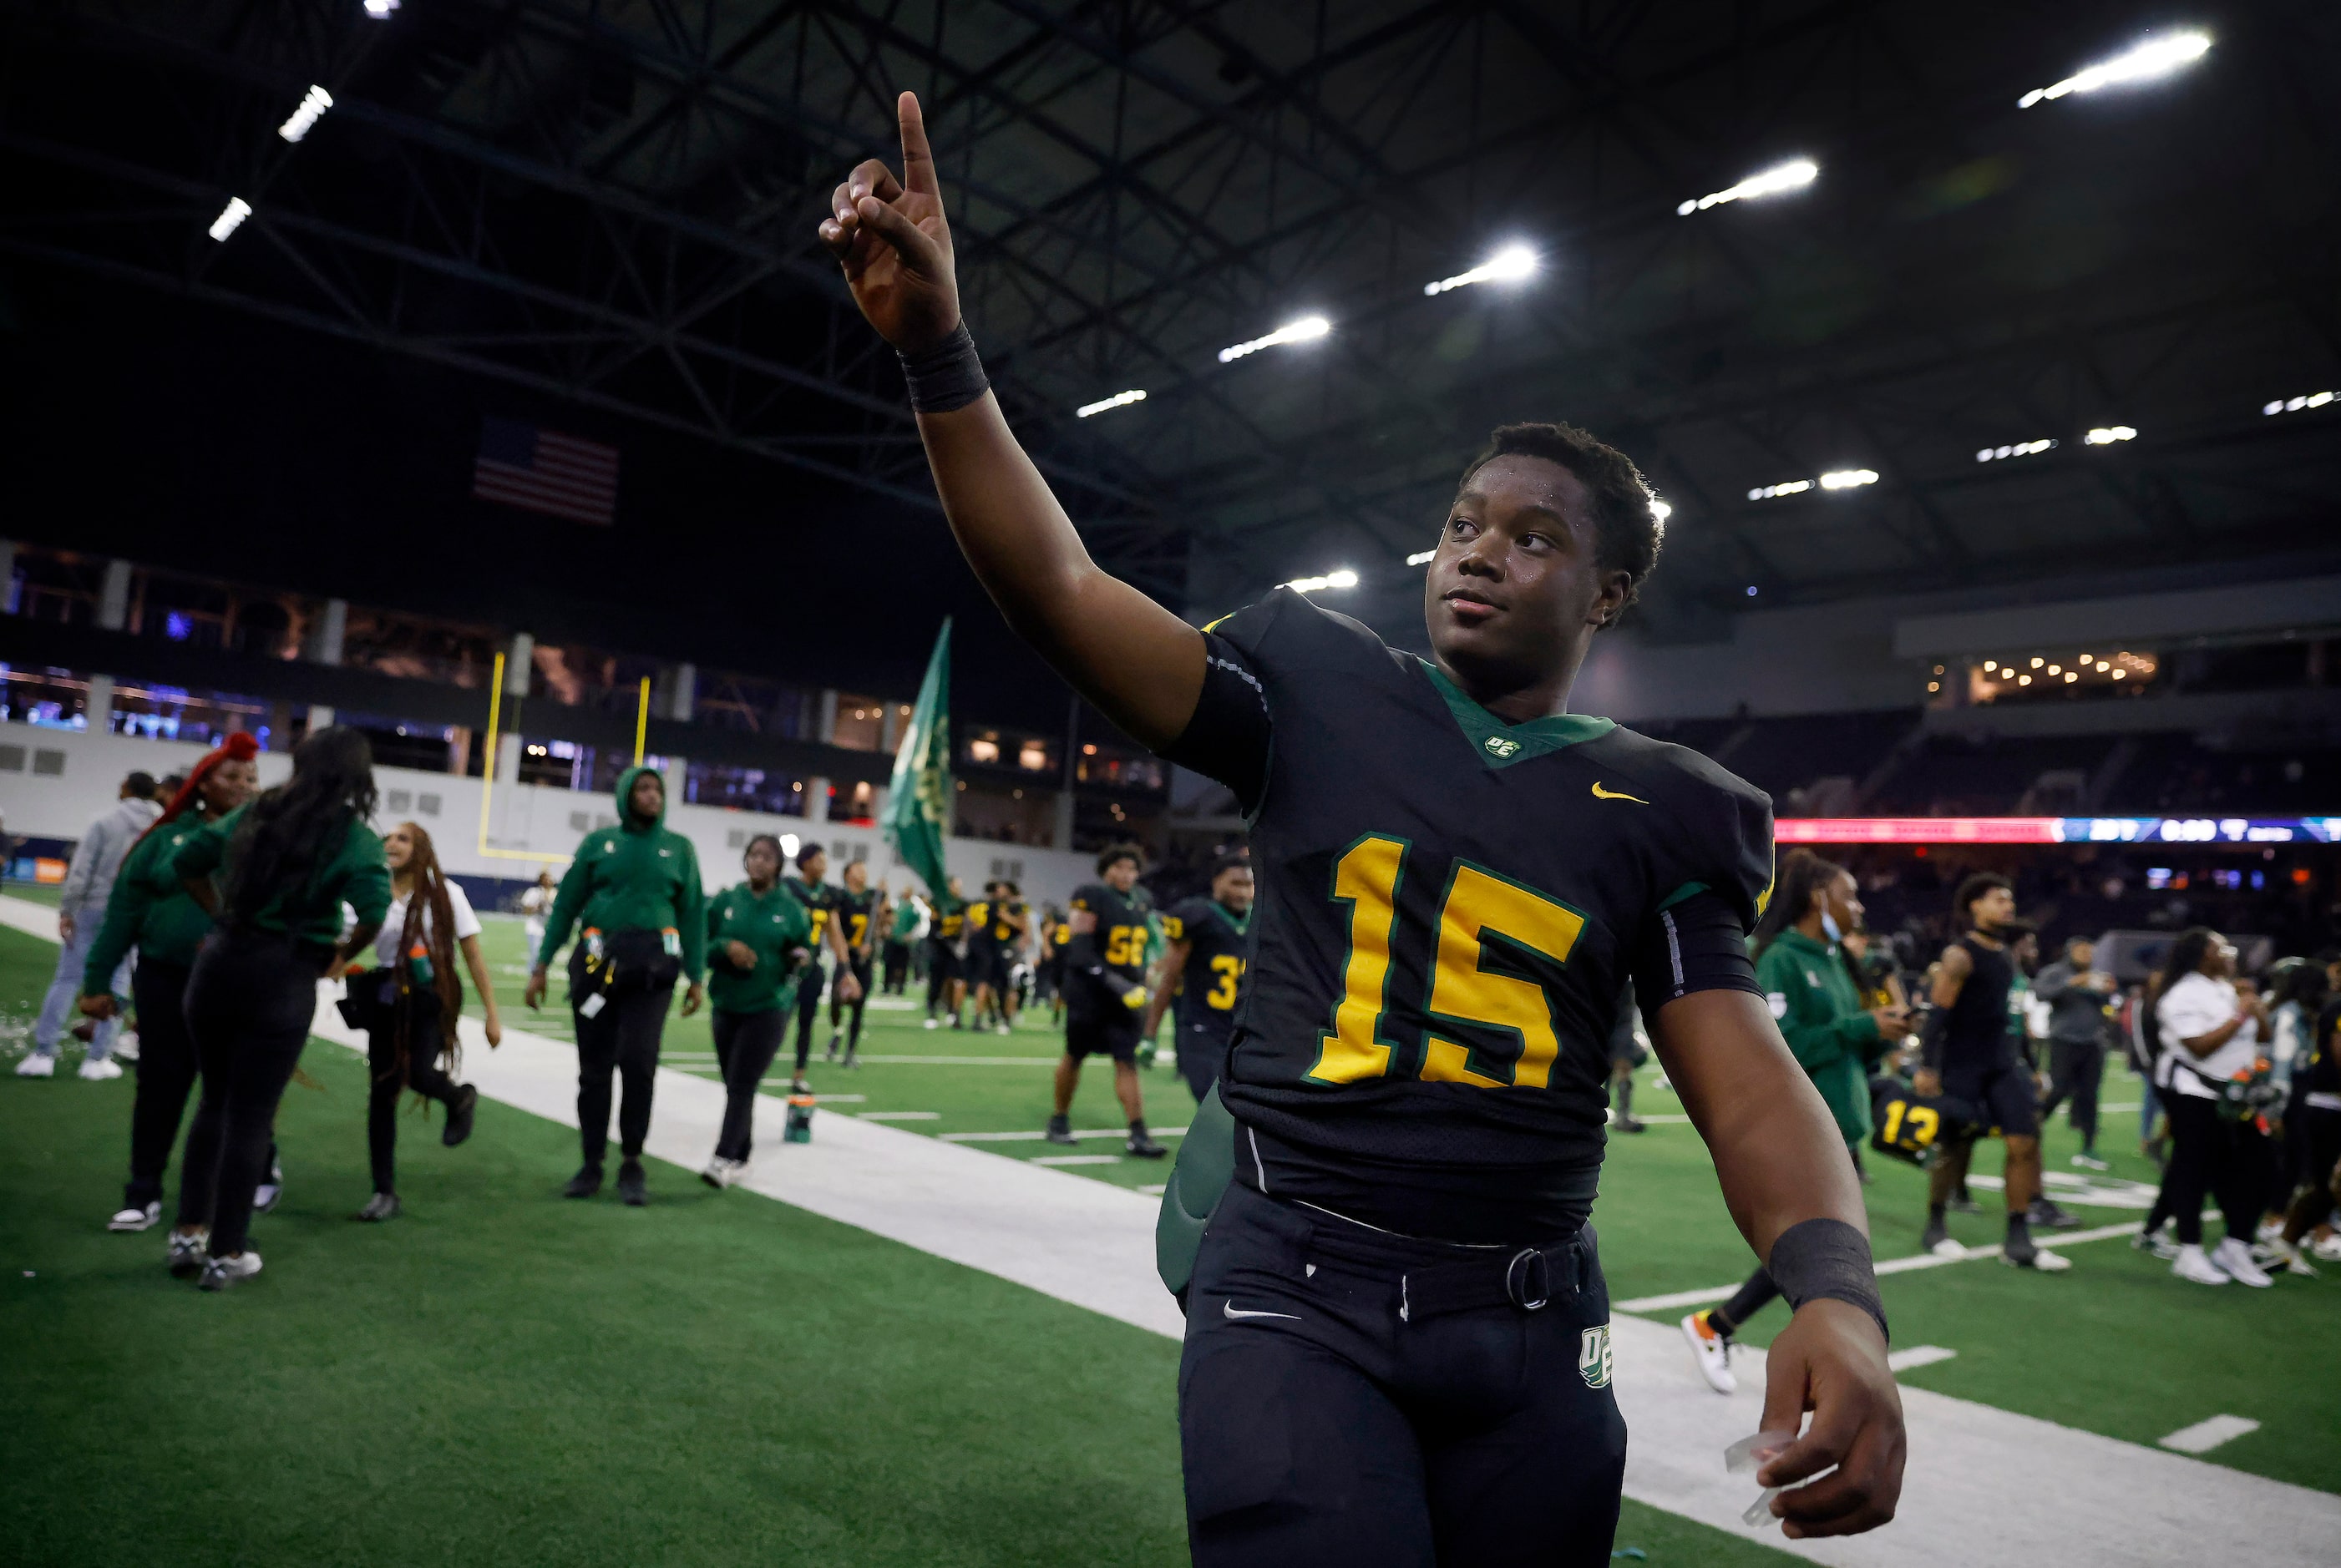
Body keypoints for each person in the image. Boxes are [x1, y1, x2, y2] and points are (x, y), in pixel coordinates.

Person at [818, 96, 1904, 1553]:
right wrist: (939, 353)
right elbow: (1063, 594)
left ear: (1606, 595)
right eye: (1464, 521)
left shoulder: (1662, 804)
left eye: (1533, 536)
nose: (1478, 551)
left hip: (1527, 1316)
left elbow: (1746, 1078)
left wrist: (1832, 1281)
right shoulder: (1315, 683)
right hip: (1290, 1274)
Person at [169, 726, 391, 1290]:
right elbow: (374, 910)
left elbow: (188, 860)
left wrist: (221, 912)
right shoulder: (353, 835)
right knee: (251, 1116)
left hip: (219, 963)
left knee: (213, 1102)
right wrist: (342, 954)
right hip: (284, 972)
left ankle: (188, 1233)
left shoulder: (254, 814)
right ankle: (227, 1253)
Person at [1683, 851, 1908, 1393]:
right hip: (1805, 1126)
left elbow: (1844, 1042)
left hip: (1839, 1125)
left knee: (1825, 1250)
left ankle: (1721, 1327)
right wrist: (1861, 1024)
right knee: (1823, 1250)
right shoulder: (1781, 958)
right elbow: (1778, 1048)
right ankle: (1741, 1336)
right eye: (1848, 895)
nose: (1857, 907)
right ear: (1817, 898)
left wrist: (1879, 1034)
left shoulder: (1833, 959)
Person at [79, 736, 261, 1231]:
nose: (243, 786)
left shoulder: (265, 840)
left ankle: (253, 1173)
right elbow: (123, 913)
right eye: (232, 777)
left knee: (241, 1084)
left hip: (238, 981)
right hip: (165, 978)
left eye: (251, 779)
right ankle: (143, 1192)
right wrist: (97, 980)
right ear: (203, 783)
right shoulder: (162, 840)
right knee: (161, 1083)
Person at [524, 765, 706, 1206]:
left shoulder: (679, 848)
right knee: (594, 1071)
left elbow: (694, 913)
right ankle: (591, 1162)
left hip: (653, 973)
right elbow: (566, 905)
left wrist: (697, 977)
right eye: (642, 788)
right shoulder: (597, 845)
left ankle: (632, 1160)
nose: (651, 795)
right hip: (596, 968)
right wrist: (541, 965)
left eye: (657, 789)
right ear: (625, 795)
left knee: (640, 1063)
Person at [338, 822, 504, 1222]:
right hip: (385, 997)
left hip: (432, 995)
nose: (391, 843)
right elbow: (340, 942)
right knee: (382, 1091)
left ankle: (458, 1097)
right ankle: (384, 1191)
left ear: (421, 848)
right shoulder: (368, 890)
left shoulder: (447, 895)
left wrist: (491, 1015)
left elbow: (472, 954)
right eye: (388, 838)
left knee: (416, 1072)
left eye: (403, 838)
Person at [1914, 875, 2070, 1270]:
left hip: (2002, 1064)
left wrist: (2030, 1065)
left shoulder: (2006, 953)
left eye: (2010, 899)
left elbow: (2010, 1015)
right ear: (1975, 907)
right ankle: (1935, 1225)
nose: (2008, 906)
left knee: (2024, 1142)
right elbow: (1938, 1017)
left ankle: (2018, 1240)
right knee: (1954, 1146)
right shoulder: (1959, 955)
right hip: (1963, 1064)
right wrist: (1927, 1067)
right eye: (1999, 899)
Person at [2147, 928, 2275, 1287]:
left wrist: (2256, 1009)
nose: (2231, 954)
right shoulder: (2183, 993)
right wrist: (2240, 1016)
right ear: (2205, 954)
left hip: (2237, 1094)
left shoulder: (2225, 988)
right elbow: (2200, 1047)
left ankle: (2236, 1245)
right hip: (2194, 1091)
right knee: (2194, 1170)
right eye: (2223, 948)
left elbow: (2263, 1036)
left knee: (2262, 1167)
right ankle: (2189, 1250)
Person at [20, 771, 160, 1080]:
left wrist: (68, 909)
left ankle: (43, 1054)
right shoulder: (161, 825)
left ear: (126, 788)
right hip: (134, 913)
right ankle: (97, 1060)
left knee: (68, 979)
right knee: (120, 981)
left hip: (94, 907)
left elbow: (81, 869)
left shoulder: (105, 822)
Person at [701, 834, 813, 1187]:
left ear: (779, 865)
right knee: (734, 1083)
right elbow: (701, 945)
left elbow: (805, 953)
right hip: (726, 1002)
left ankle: (722, 1158)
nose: (759, 862)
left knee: (742, 1081)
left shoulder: (791, 909)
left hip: (769, 1006)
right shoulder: (726, 900)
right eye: (753, 855)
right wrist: (726, 947)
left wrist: (802, 958)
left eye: (767, 857)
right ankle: (742, 1154)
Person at [1046, 844, 1166, 1156]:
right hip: (1090, 992)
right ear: (1106, 869)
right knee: (1075, 1054)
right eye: (1119, 867)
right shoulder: (1091, 895)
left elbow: (1148, 947)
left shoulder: (1143, 900)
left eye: (1131, 868)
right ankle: (1059, 1119)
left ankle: (1138, 1132)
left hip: (1126, 994)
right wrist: (1117, 983)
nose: (1126, 874)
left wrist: (1144, 976)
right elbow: (1082, 951)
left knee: (1126, 1060)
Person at [1141, 855, 1254, 1104]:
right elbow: (1169, 979)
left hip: (1243, 1031)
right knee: (1213, 1102)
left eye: (1248, 884)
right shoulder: (1198, 916)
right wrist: (1150, 1034)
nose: (1243, 892)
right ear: (1216, 882)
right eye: (1235, 883)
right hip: (1202, 1028)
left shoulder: (1260, 920)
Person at [2265, 951, 2341, 1272]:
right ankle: (2286, 1235)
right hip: (2324, 1101)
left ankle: (2288, 1239)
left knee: (2321, 1180)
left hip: (2318, 1098)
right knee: (2318, 1178)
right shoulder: (2311, 1011)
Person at [2034, 936, 2116, 1171]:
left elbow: (2108, 1003)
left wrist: (2109, 992)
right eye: (2082, 952)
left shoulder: (2097, 975)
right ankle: (2031, 1131)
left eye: (2090, 952)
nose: (2087, 957)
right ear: (2070, 952)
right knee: (2057, 1090)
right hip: (2064, 1040)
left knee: (2089, 1096)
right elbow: (2040, 993)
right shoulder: (2056, 972)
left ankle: (2089, 1147)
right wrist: (2072, 982)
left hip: (2093, 1042)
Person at [782, 844, 860, 1090]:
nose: (824, 864)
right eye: (818, 859)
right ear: (804, 862)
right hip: (784, 966)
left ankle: (799, 1074)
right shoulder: (789, 888)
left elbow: (835, 932)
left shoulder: (828, 895)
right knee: (777, 1018)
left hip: (811, 967)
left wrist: (846, 968)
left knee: (807, 1021)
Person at [825, 858, 882, 1066]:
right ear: (848, 874)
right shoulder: (840, 898)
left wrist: (873, 943)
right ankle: (837, 1031)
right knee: (836, 1002)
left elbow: (881, 925)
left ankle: (850, 1052)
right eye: (859, 869)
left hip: (864, 960)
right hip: (845, 958)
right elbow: (834, 929)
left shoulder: (872, 898)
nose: (863, 873)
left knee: (859, 1006)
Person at [978, 880, 1029, 1034]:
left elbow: (1023, 927)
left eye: (1002, 889)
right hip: (991, 950)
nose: (999, 891)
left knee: (1009, 987)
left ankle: (1006, 1020)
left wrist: (1006, 917)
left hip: (1008, 949)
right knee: (987, 985)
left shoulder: (1016, 907)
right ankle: (991, 1015)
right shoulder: (991, 906)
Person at [922, 874, 967, 1029]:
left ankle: (954, 1012)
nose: (958, 889)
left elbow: (967, 925)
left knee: (956, 980)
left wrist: (962, 943)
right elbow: (934, 926)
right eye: (955, 885)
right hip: (939, 946)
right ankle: (932, 1011)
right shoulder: (938, 903)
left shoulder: (963, 904)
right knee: (936, 980)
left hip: (955, 949)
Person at [881, 884, 925, 994]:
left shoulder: (913, 908)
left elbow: (919, 923)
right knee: (889, 963)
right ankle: (886, 986)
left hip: (904, 942)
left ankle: (900, 988)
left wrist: (911, 935)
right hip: (892, 939)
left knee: (902, 966)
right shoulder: (896, 903)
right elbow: (887, 915)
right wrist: (887, 928)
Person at [519, 867, 557, 959]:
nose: (549, 881)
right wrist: (536, 908)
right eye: (546, 879)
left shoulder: (555, 893)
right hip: (534, 928)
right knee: (536, 955)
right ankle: (532, 973)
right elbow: (525, 911)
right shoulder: (533, 892)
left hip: (548, 928)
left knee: (544, 957)